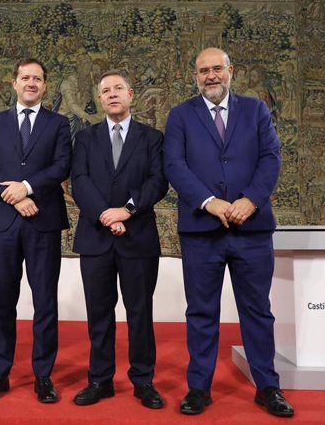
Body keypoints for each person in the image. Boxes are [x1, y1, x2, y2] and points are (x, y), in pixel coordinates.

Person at [163, 48, 294, 418]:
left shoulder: (255, 110)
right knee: (201, 312)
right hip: (202, 231)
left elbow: (271, 157)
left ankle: (267, 386)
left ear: (231, 71)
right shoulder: (180, 116)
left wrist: (250, 200)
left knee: (257, 310)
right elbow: (174, 164)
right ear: (195, 77)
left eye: (217, 68)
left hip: (251, 229)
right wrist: (209, 202)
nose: (211, 76)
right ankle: (199, 388)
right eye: (203, 71)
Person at [70, 70, 168, 409]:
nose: (112, 94)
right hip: (95, 237)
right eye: (105, 91)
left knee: (139, 312)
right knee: (99, 313)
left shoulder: (152, 138)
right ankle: (100, 380)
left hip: (137, 237)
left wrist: (126, 210)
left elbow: (158, 182)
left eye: (118, 89)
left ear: (131, 94)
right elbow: (79, 181)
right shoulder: (84, 138)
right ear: (100, 99)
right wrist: (104, 214)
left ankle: (143, 381)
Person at [0, 58, 72, 403]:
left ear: (45, 86)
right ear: (14, 83)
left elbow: (62, 164)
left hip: (43, 220)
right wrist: (12, 196)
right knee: (3, 299)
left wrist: (28, 187)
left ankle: (43, 375)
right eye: (25, 77)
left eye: (38, 78)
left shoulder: (59, 124)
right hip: (4, 221)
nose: (31, 83)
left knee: (45, 300)